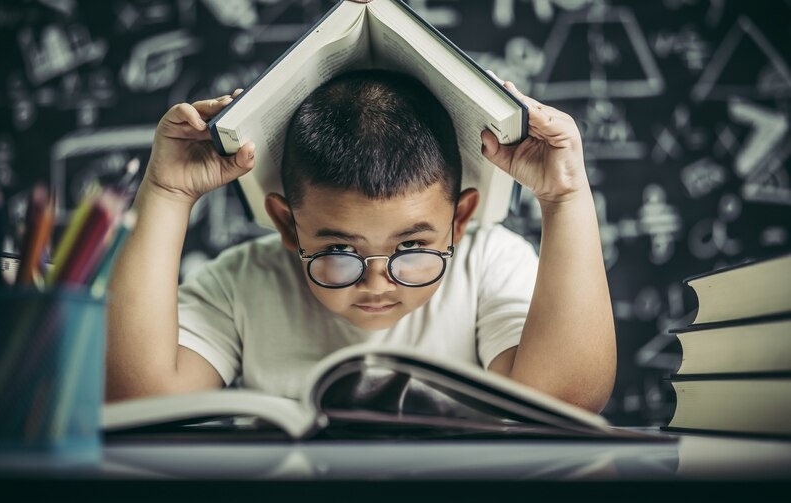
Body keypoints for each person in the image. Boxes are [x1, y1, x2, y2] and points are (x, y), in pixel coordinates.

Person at [106, 69, 616, 413]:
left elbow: (567, 400)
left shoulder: (489, 262)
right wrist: (167, 192)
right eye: (338, 252)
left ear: (459, 221)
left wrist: (565, 197)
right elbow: (138, 398)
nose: (377, 282)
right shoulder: (242, 281)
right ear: (288, 227)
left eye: (413, 248)